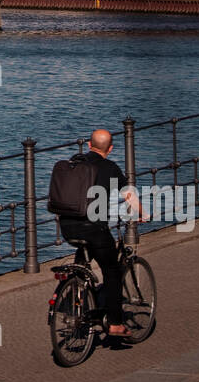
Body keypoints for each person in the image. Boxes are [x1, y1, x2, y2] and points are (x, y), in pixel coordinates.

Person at [57, 128, 143, 341]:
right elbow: (128, 194)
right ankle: (114, 324)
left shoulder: (74, 163)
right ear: (111, 148)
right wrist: (142, 213)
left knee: (84, 253)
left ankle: (76, 287)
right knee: (112, 271)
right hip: (94, 228)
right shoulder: (109, 167)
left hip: (67, 226)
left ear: (88, 144)